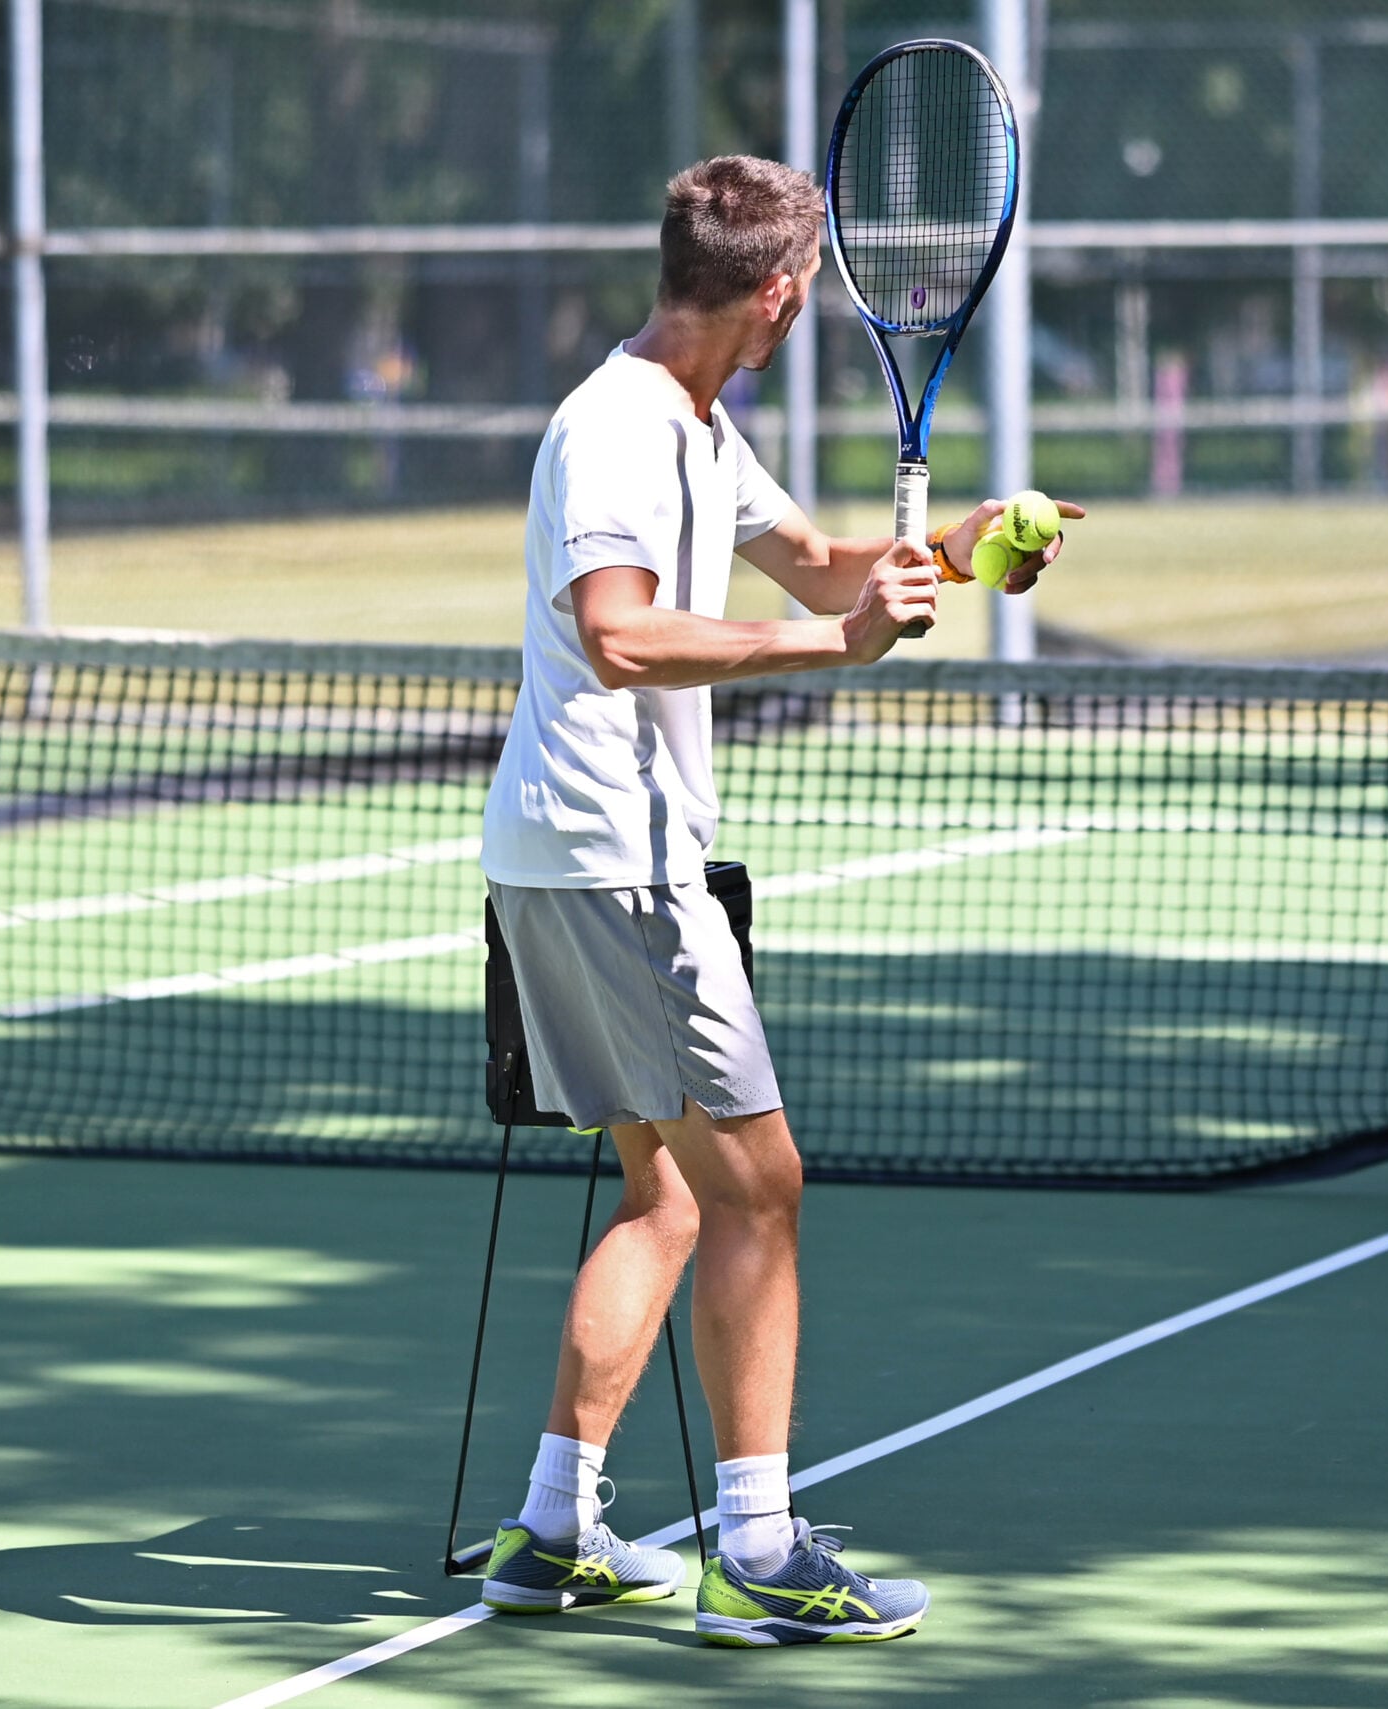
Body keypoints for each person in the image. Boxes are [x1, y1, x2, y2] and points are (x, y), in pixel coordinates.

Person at [474, 156, 1077, 1647]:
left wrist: (958, 550)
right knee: (762, 1188)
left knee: (670, 1196)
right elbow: (619, 636)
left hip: (575, 857)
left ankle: (553, 1529)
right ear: (784, 294)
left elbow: (814, 565)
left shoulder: (692, 419)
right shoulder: (616, 430)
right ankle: (756, 1548)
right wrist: (838, 649)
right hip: (617, 863)